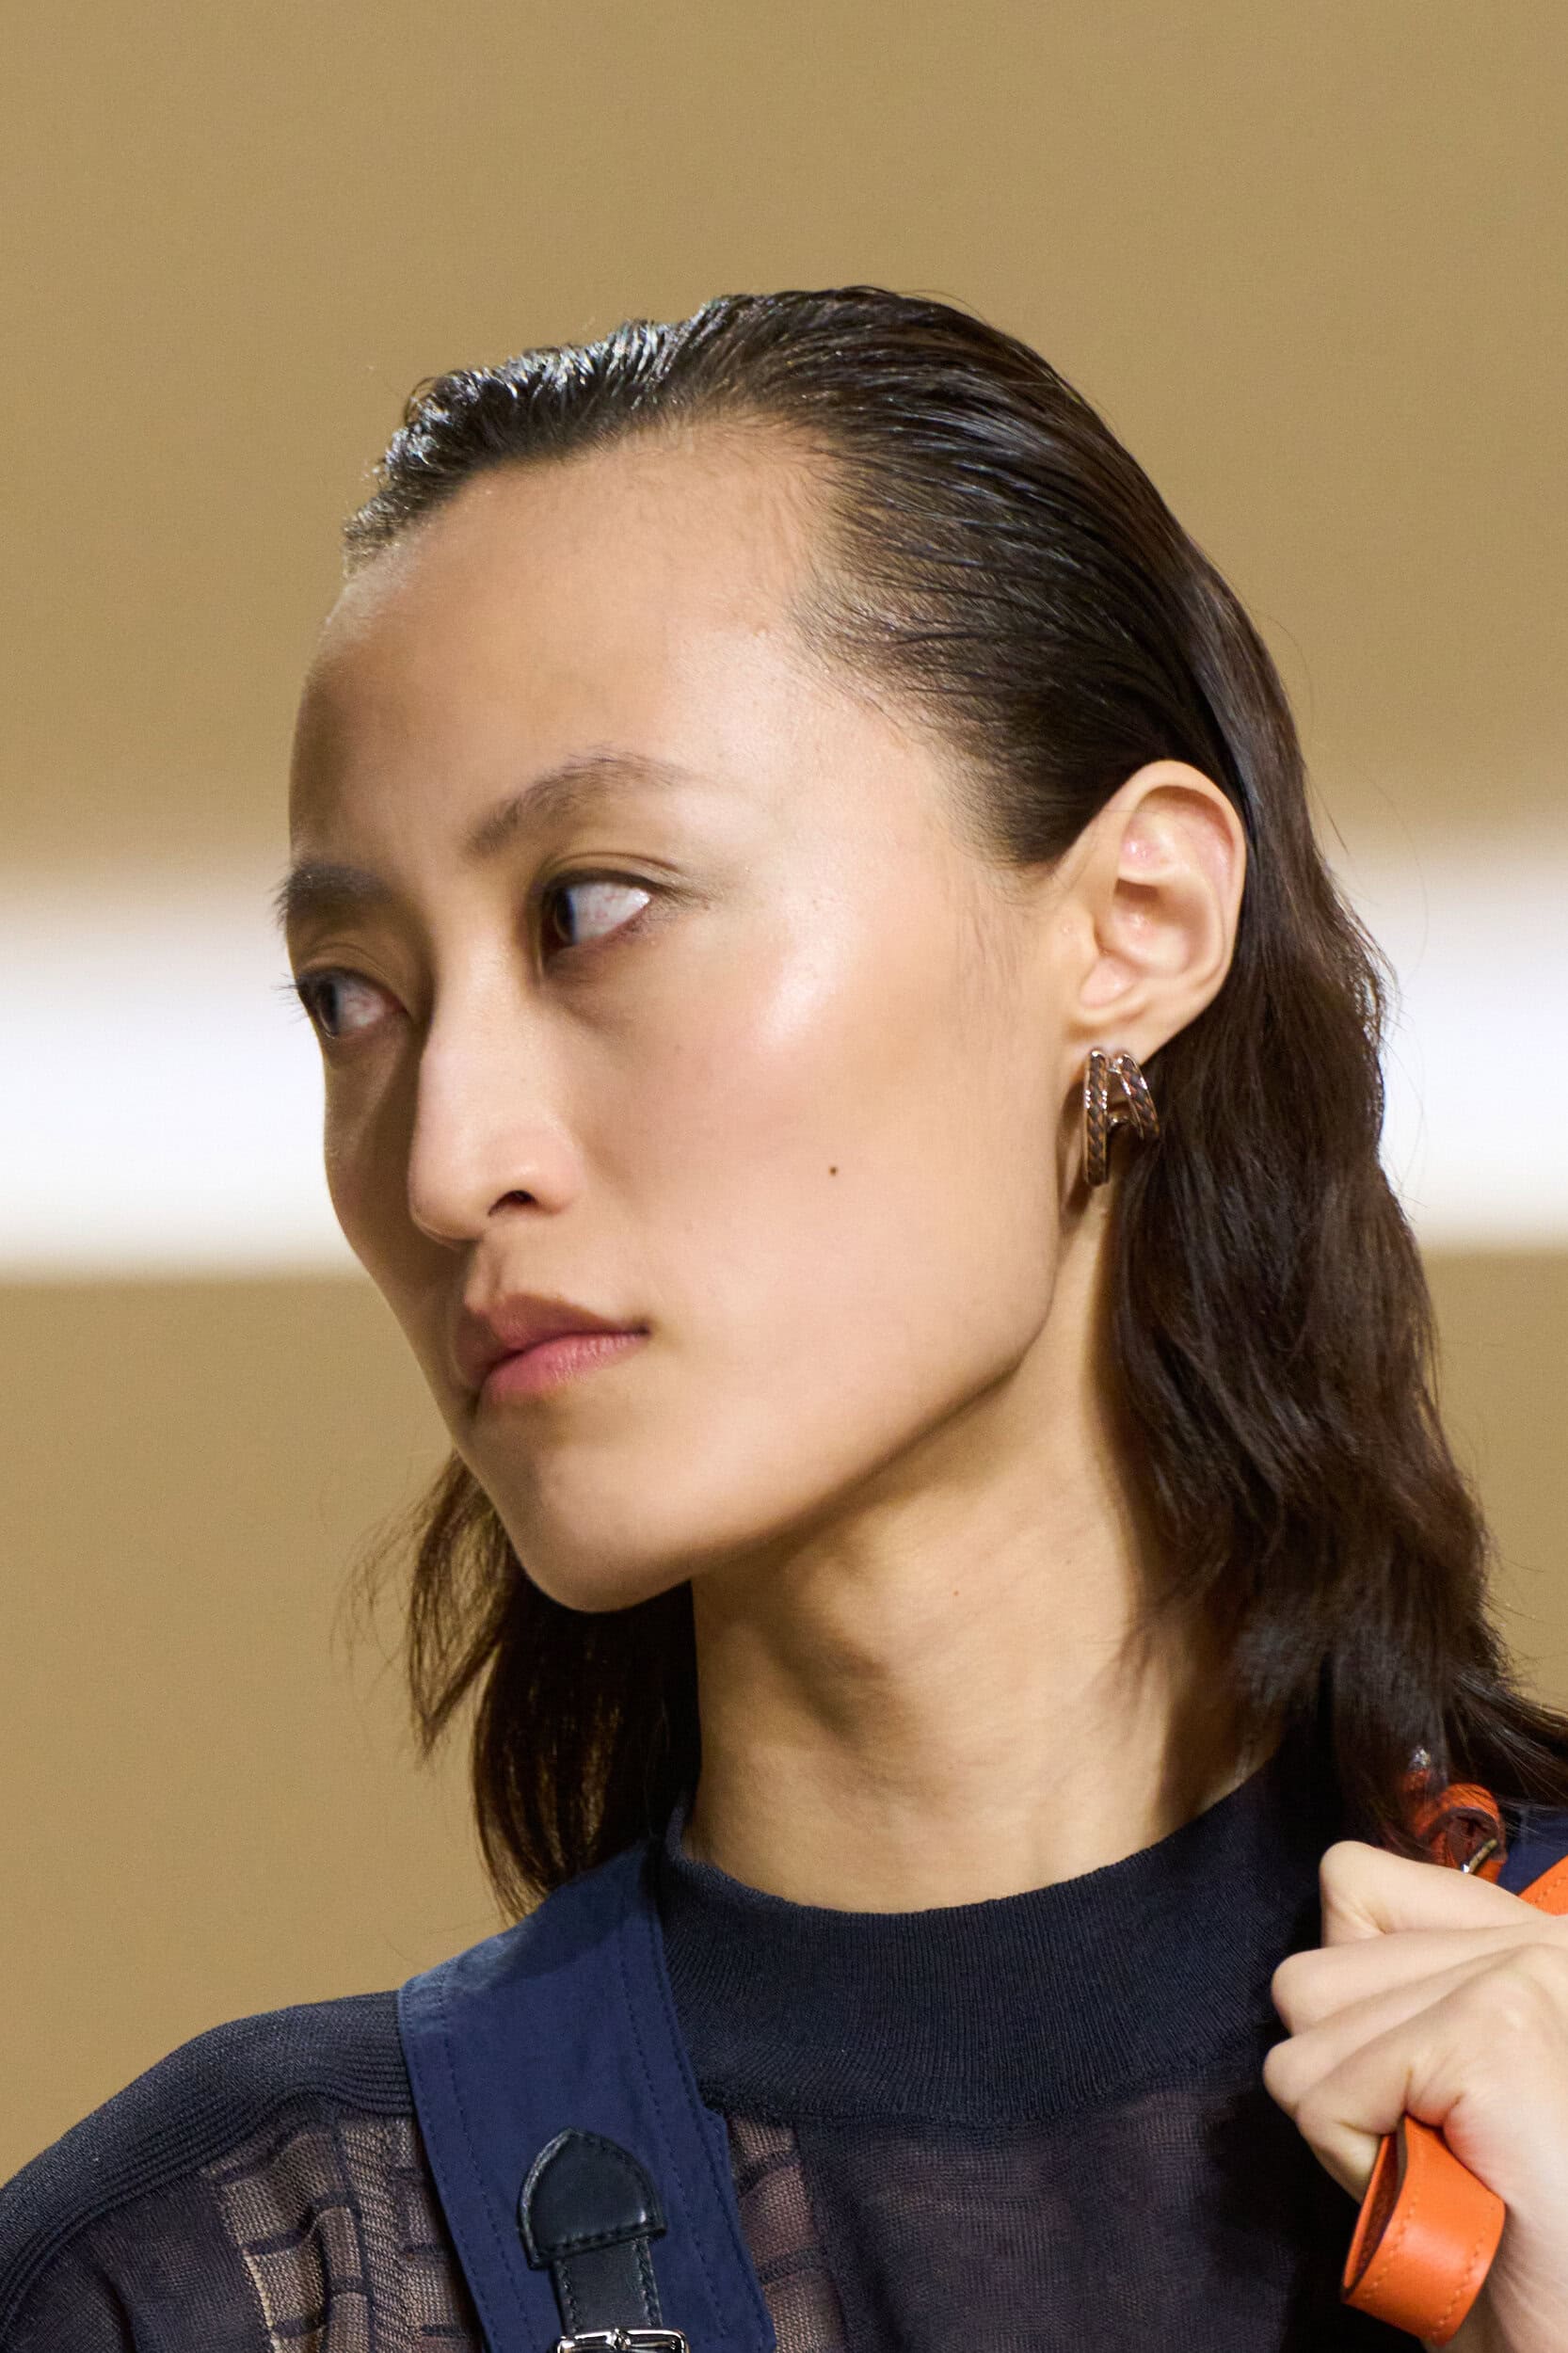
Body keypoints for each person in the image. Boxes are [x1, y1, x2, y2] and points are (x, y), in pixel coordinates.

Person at [4, 285, 1567, 2353]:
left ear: (1134, 924)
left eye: (591, 909)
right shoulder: (206, 2280)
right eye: (351, 997)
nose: (445, 1160)